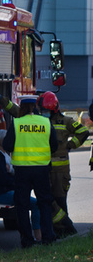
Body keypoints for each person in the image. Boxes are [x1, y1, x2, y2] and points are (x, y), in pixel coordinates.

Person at [2, 96, 58, 248]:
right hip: (42, 169)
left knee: (22, 205)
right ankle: (47, 238)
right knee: (44, 203)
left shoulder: (17, 123)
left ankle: (27, 240)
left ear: (22, 107)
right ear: (36, 107)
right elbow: (54, 146)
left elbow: (7, 144)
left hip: (22, 171)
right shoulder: (46, 123)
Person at [38, 91, 87, 235]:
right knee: (48, 201)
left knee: (60, 200)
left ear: (54, 109)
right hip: (45, 168)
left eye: (46, 111)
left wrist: (71, 145)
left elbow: (83, 131)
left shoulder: (65, 121)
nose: (44, 113)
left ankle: (65, 230)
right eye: (43, 110)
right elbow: (18, 113)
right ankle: (56, 229)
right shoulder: (41, 120)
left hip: (60, 171)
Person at [0, 129, 41, 242]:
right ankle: (38, 234)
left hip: (5, 190)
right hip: (0, 193)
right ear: (1, 141)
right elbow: (3, 179)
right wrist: (19, 184)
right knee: (35, 204)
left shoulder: (3, 155)